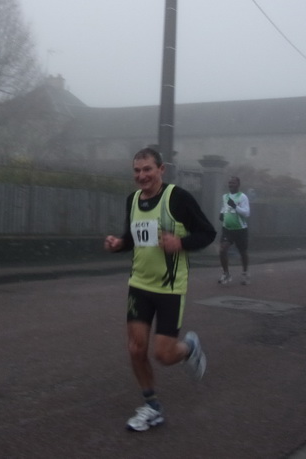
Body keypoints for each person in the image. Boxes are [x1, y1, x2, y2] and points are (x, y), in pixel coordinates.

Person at [104, 147, 216, 432]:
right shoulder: (132, 200)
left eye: (147, 170)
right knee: (135, 348)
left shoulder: (177, 199)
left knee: (164, 355)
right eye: (137, 171)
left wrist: (181, 243)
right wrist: (118, 244)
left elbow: (207, 233)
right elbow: (132, 238)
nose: (142, 176)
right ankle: (152, 406)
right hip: (139, 284)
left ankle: (189, 347)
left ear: (161, 169)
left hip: (169, 288)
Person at [218, 176, 251, 285]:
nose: (230, 185)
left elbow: (247, 213)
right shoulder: (225, 196)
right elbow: (224, 207)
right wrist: (222, 213)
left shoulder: (242, 197)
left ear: (238, 184)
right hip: (227, 229)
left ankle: (245, 273)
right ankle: (226, 273)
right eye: (229, 183)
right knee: (222, 250)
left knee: (243, 253)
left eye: (233, 183)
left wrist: (235, 207)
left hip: (240, 229)